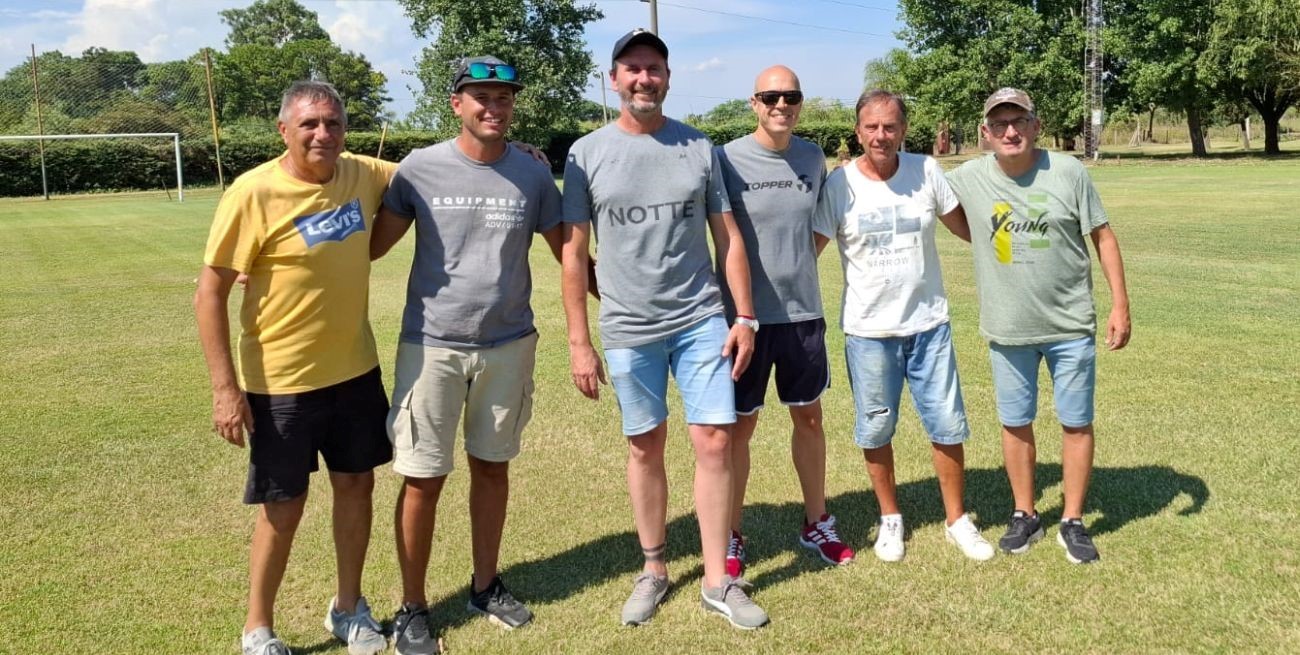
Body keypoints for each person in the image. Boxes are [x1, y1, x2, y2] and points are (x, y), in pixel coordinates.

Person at [368, 56, 582, 654]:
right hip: (432, 345)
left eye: (504, 98)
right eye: (480, 96)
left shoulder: (534, 174)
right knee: (422, 478)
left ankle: (485, 586)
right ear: (457, 103)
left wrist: (612, 287)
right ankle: (412, 607)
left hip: (509, 344)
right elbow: (369, 249)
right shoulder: (419, 169)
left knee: (492, 467)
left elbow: (565, 247)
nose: (494, 107)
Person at [560, 29, 768, 630]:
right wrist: (579, 341)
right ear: (613, 78)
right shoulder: (584, 153)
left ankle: (716, 579)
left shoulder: (699, 147)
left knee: (715, 441)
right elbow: (575, 254)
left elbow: (727, 238)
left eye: (653, 68)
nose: (643, 78)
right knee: (644, 445)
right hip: (628, 326)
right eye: (632, 69)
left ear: (668, 78)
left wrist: (744, 316)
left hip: (700, 318)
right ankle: (653, 569)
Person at [195, 81, 394, 655]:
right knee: (283, 507)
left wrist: (521, 151)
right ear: (284, 130)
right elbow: (209, 294)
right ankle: (258, 628)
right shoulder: (252, 192)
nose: (322, 135)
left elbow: (434, 171)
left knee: (357, 487)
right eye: (309, 124)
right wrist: (224, 388)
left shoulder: (362, 172)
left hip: (356, 371)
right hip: (280, 383)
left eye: (332, 123)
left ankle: (349, 609)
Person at [946, 87, 1131, 564]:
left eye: (1020, 121)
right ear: (985, 133)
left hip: (1070, 326)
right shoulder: (967, 176)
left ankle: (1072, 518)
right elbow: (937, 201)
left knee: (1076, 421)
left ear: (1035, 125)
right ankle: (1024, 514)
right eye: (1000, 124)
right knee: (1015, 422)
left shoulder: (1068, 171)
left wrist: (1120, 305)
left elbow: (1102, 236)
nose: (1011, 131)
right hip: (1008, 330)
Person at [813, 89, 995, 564]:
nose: (881, 135)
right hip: (869, 332)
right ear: (858, 132)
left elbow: (968, 229)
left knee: (947, 425)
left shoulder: (927, 171)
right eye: (871, 127)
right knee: (876, 430)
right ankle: (890, 518)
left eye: (890, 126)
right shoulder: (840, 186)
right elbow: (807, 252)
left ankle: (956, 519)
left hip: (928, 324)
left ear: (903, 130)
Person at [715, 65, 854, 578]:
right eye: (771, 96)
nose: (781, 104)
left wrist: (797, 264)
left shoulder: (811, 156)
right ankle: (730, 531)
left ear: (800, 102)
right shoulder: (725, 158)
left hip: (802, 315)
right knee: (738, 429)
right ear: (754, 102)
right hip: (743, 321)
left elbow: (819, 224)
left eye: (790, 95)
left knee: (810, 418)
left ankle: (816, 521)